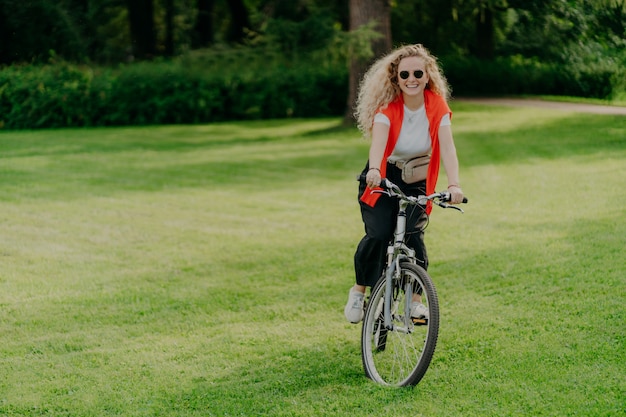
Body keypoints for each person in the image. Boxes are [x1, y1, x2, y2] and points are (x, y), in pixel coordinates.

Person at [345, 44, 465, 323]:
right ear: (396, 79)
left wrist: (455, 184)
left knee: (413, 234)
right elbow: (379, 143)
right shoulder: (388, 110)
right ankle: (359, 290)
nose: (411, 79)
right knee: (379, 232)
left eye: (418, 73)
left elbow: (447, 148)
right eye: (405, 74)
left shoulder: (437, 106)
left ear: (427, 76)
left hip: (417, 178)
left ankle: (415, 303)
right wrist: (375, 169)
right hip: (383, 174)